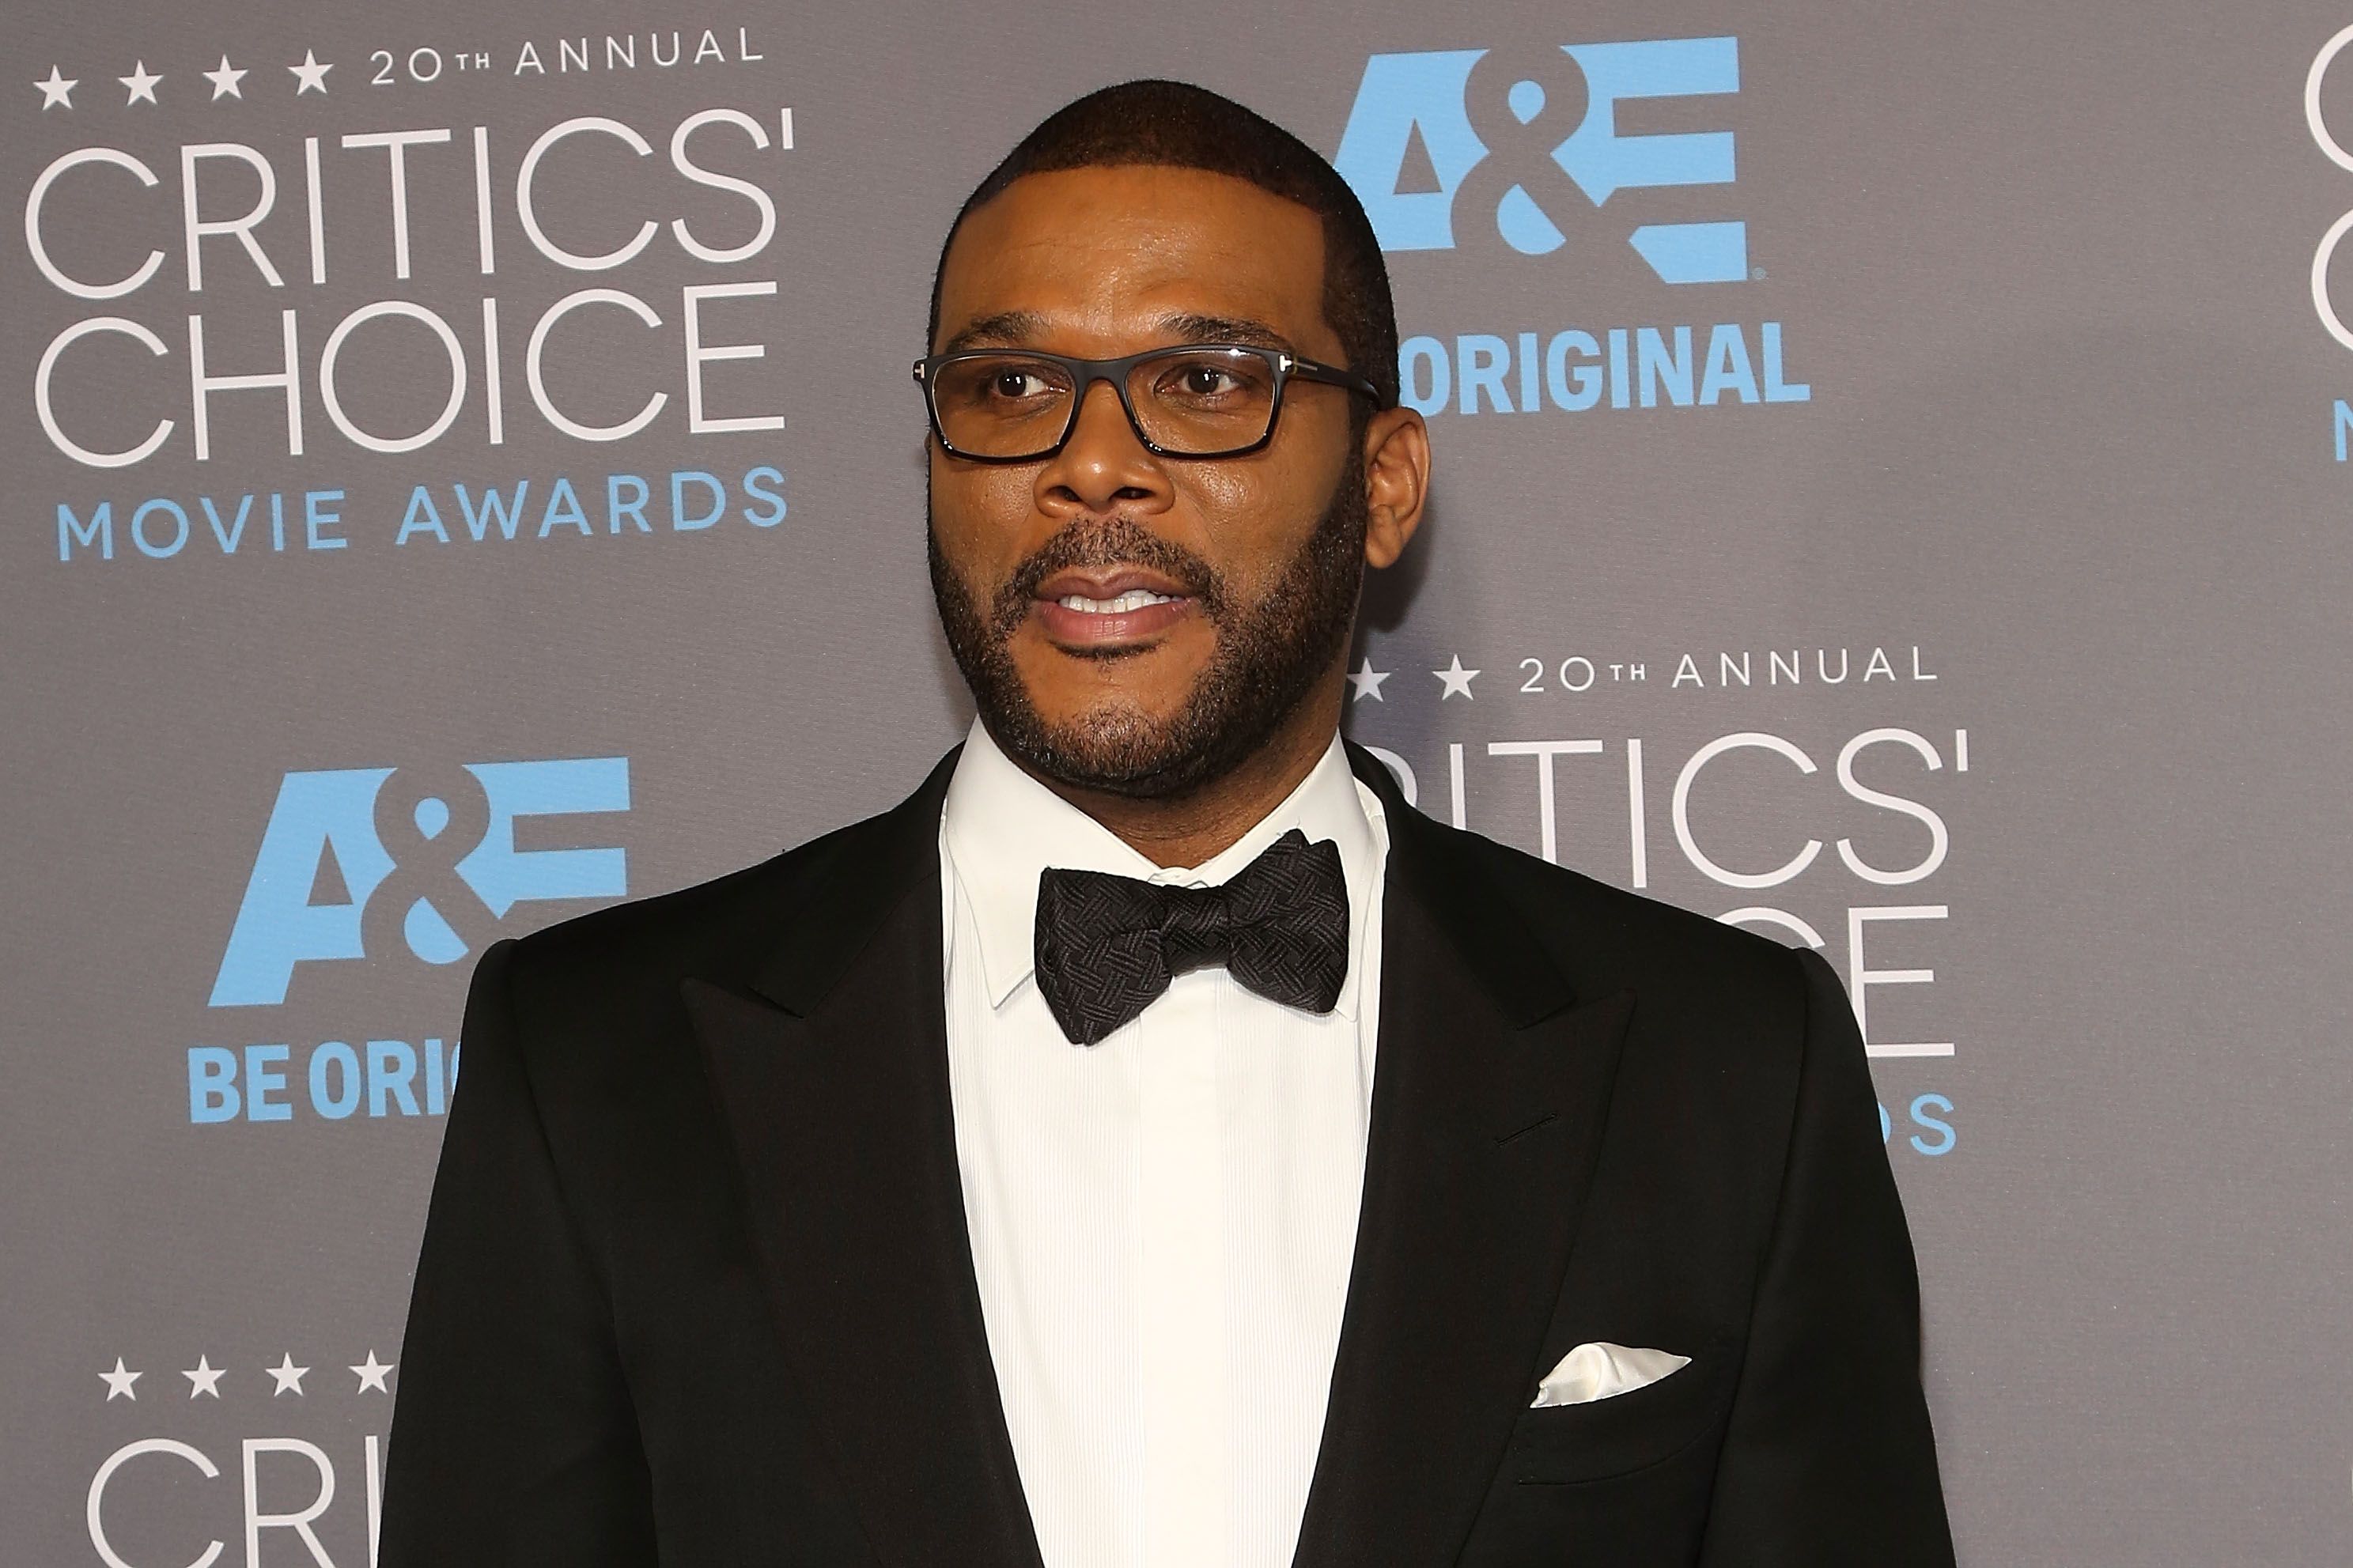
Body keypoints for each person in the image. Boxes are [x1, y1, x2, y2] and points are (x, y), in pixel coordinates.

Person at [379, 78, 1954, 1567]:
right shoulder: (600, 1065)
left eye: (1205, 385)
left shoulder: (1729, 1066)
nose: (1092, 465)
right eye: (1011, 387)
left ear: (1387, 481)